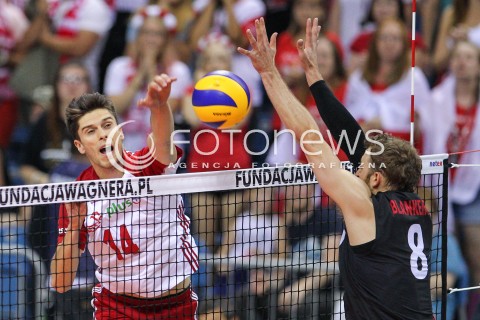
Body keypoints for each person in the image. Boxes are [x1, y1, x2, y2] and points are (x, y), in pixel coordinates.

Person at [239, 17, 433, 319]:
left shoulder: (366, 207)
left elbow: (309, 135)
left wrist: (268, 72)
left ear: (378, 178)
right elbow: (352, 137)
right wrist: (314, 74)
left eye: (361, 168)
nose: (355, 171)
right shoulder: (416, 206)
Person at [50, 74, 199, 319]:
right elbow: (60, 283)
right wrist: (74, 227)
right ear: (79, 145)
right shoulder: (78, 195)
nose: (102, 134)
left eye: (108, 125)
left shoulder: (146, 165)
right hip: (117, 308)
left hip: (176, 305)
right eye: (91, 131)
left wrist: (160, 105)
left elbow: (162, 142)